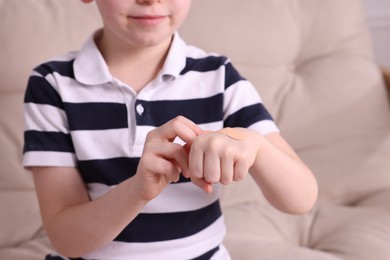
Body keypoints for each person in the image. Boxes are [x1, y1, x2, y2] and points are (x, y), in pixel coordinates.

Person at [22, 0, 318, 259]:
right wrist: (137, 191)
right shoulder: (52, 84)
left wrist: (256, 145)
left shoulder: (219, 77)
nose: (151, 0)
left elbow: (301, 198)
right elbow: (67, 240)